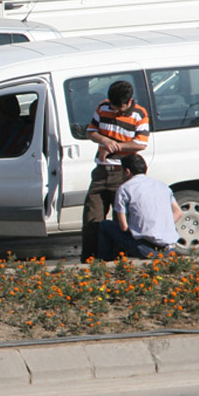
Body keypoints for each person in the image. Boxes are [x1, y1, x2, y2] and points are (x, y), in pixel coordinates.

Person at [81, 80, 150, 262]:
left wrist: (115, 146)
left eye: (118, 107)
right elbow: (90, 132)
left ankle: (117, 259)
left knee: (121, 220)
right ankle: (89, 259)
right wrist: (104, 141)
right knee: (91, 217)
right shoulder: (103, 107)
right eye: (112, 106)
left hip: (123, 173)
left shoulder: (139, 114)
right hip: (101, 171)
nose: (114, 110)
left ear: (128, 102)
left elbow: (141, 143)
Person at [97, 154, 183, 260]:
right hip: (169, 249)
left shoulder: (125, 189)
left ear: (127, 171)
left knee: (105, 225)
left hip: (145, 249)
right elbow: (178, 212)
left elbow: (124, 227)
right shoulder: (162, 185)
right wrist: (161, 223)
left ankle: (106, 261)